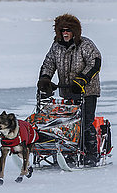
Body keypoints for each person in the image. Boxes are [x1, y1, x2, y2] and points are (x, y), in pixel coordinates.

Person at [37, 14, 102, 165]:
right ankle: (69, 153)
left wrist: (81, 80)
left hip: (87, 91)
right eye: (62, 30)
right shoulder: (56, 46)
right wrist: (45, 79)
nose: (65, 33)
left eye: (68, 30)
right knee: (66, 124)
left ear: (75, 32)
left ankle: (91, 154)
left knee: (85, 122)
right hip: (67, 90)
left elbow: (95, 63)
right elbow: (48, 63)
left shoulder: (85, 45)